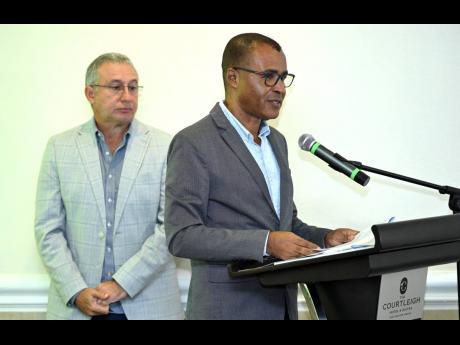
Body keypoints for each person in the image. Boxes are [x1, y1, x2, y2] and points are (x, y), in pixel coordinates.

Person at [165, 33, 358, 320]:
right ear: (233, 77)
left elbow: (286, 224)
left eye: (283, 77)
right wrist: (266, 243)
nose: (280, 88)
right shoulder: (194, 142)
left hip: (281, 309)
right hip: (227, 311)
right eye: (269, 76)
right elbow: (182, 236)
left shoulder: (276, 142)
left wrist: (326, 238)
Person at [35, 53, 183, 320]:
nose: (127, 96)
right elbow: (48, 230)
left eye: (133, 87)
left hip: (149, 307)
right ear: (90, 93)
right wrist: (77, 290)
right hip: (77, 307)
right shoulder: (59, 148)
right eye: (116, 87)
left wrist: (122, 283)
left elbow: (170, 227)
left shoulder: (165, 146)